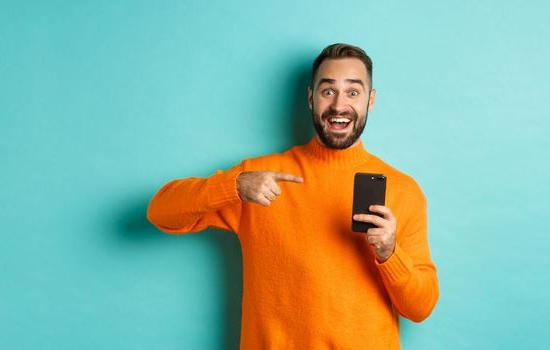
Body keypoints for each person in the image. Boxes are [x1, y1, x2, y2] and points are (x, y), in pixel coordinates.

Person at [147, 43, 439, 349]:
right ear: (311, 98)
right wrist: (233, 186)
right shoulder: (258, 179)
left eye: (353, 92)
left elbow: (420, 308)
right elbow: (160, 211)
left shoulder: (403, 190)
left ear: (371, 100)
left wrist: (390, 254)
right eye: (328, 91)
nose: (339, 105)